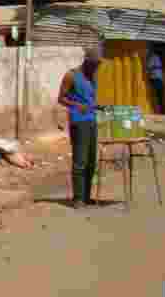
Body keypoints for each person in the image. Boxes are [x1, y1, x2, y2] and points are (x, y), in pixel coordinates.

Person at [57, 46, 103, 209]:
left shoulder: (92, 77)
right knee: (80, 161)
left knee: (91, 160)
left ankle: (86, 196)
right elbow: (61, 98)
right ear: (87, 61)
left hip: (91, 121)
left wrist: (97, 107)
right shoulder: (71, 75)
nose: (97, 68)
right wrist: (77, 105)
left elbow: (88, 98)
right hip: (79, 122)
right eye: (95, 64)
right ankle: (78, 198)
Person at [147, 48, 164, 113]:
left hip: (155, 77)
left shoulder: (152, 57)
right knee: (160, 95)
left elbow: (149, 66)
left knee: (155, 95)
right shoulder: (157, 57)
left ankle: (156, 110)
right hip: (159, 77)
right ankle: (161, 110)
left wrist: (148, 71)